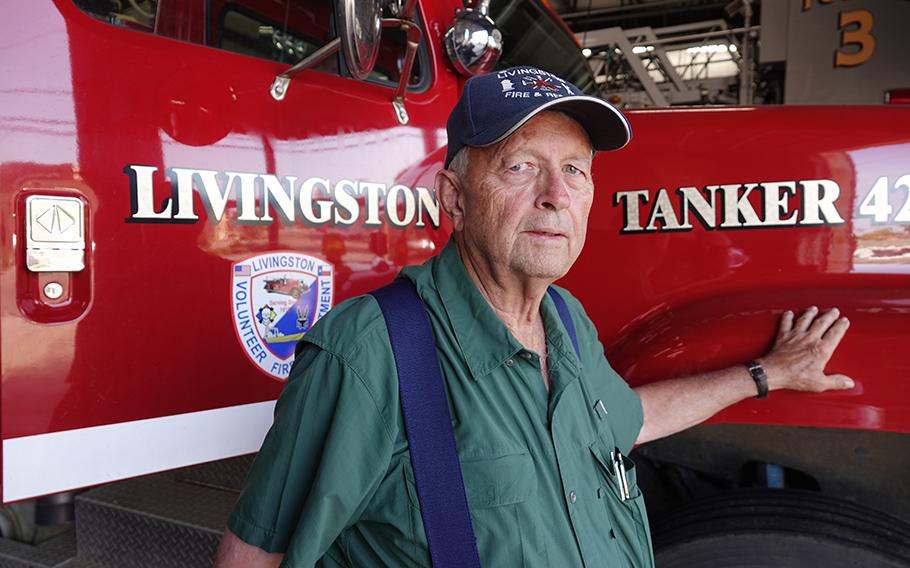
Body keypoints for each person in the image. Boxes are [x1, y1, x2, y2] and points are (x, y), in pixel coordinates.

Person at [213, 66, 853, 567]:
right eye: (520, 167)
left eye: (574, 171)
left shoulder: (565, 318)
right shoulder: (368, 352)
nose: (555, 195)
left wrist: (767, 373)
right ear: (453, 197)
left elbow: (620, 424)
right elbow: (254, 555)